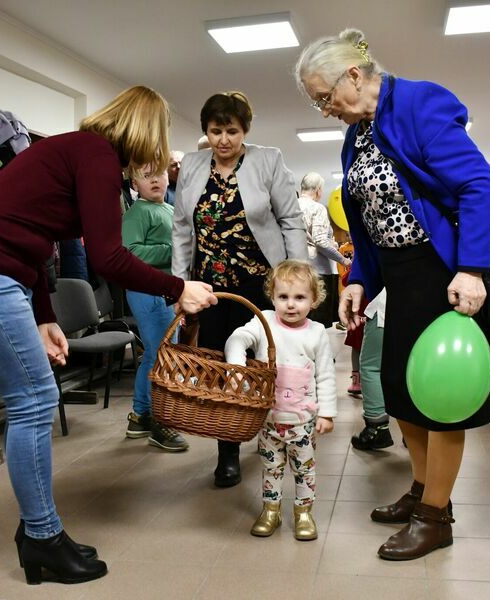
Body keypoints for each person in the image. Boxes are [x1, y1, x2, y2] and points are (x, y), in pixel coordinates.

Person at [0, 86, 216, 585]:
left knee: (32, 399)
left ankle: (40, 534)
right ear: (144, 130)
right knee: (34, 401)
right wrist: (178, 288)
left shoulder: (74, 151)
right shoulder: (96, 158)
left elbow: (34, 236)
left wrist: (43, 315)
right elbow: (108, 257)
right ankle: (41, 537)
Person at [295, 29, 490, 560]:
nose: (324, 110)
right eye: (315, 102)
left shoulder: (418, 102)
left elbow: (479, 186)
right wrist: (361, 279)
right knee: (399, 388)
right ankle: (421, 491)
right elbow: (367, 224)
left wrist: (472, 269)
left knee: (442, 396)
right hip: (397, 273)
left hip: (445, 271)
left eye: (324, 97)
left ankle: (437, 518)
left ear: (353, 75)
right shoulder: (355, 135)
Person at [172, 90, 307, 488]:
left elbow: (290, 220)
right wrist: (181, 285)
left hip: (260, 282)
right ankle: (227, 449)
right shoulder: (194, 166)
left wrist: (296, 278)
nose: (224, 140)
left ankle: (275, 435)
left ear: (245, 130)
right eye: (215, 131)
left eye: (232, 131)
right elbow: (182, 229)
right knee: (219, 365)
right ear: (206, 132)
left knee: (264, 362)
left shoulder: (268, 161)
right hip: (210, 286)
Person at [224, 260, 336, 540]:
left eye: (299, 297)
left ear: (314, 299)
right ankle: (270, 511)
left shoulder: (317, 332)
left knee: (304, 470)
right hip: (269, 420)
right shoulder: (263, 322)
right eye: (283, 297)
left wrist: (327, 413)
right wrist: (236, 369)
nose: (290, 304)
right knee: (270, 468)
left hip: (303, 422)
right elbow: (237, 339)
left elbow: (325, 375)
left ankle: (304, 513)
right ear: (272, 297)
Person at [122, 164, 188, 452]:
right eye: (146, 176)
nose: (155, 180)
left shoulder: (170, 210)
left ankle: (140, 416)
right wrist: (173, 249)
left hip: (165, 290)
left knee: (156, 353)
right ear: (134, 182)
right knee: (162, 356)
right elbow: (131, 252)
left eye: (159, 174)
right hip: (146, 291)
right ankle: (160, 422)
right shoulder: (138, 212)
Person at [297, 172, 351, 327]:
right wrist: (344, 260)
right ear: (318, 190)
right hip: (318, 271)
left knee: (299, 320)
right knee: (317, 324)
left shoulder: (291, 207)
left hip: (295, 268)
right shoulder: (317, 208)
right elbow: (320, 242)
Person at [350, 288, 395, 451]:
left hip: (386, 307)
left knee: (371, 367)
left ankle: (376, 428)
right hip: (423, 309)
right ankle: (414, 430)